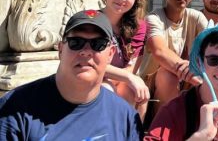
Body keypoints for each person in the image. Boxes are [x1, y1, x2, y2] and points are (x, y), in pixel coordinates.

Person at [0, 10, 142, 139]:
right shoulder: (14, 108)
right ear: (61, 50)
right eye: (76, 42)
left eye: (98, 44)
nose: (86, 51)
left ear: (110, 54)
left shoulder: (125, 117)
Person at [138, 0, 208, 120]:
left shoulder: (196, 17)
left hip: (185, 80)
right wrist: (192, 74)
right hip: (151, 82)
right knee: (168, 75)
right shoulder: (153, 18)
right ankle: (162, 128)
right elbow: (159, 51)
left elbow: (211, 45)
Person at [100, 0, 149, 118]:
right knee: (106, 89)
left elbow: (131, 67)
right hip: (94, 79)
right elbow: (91, 64)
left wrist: (128, 78)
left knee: (135, 91)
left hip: (119, 80)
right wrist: (128, 78)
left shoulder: (139, 27)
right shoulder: (91, 21)